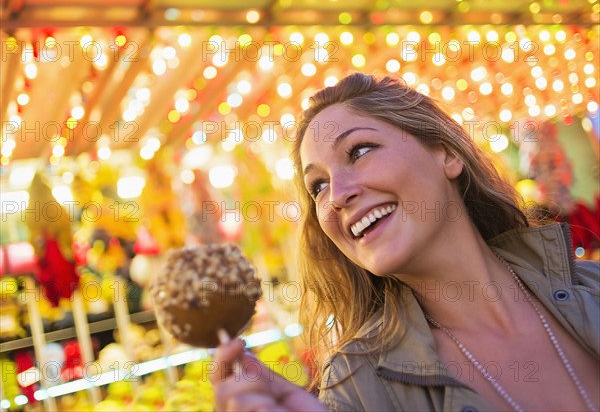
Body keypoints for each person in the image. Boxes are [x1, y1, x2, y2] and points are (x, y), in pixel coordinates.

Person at [210, 73, 600, 411]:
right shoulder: (359, 387)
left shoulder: (593, 288)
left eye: (359, 150)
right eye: (319, 186)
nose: (338, 195)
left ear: (446, 154)